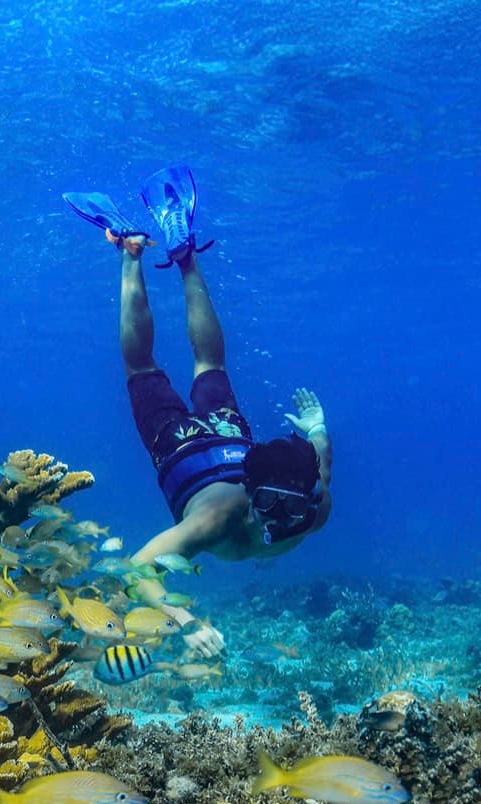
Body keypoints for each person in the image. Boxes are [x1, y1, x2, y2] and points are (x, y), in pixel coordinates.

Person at [64, 165, 332, 657]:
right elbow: (137, 566)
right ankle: (134, 255)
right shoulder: (218, 520)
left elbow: (321, 459)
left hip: (230, 439)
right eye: (271, 505)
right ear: (249, 494)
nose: (279, 520)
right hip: (180, 447)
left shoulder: (315, 510)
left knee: (206, 363)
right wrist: (185, 622)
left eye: (292, 507)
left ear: (308, 498)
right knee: (148, 366)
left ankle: (176, 257)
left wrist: (317, 429)